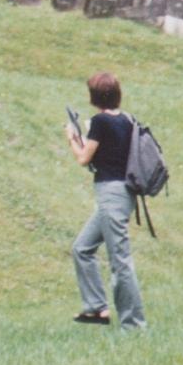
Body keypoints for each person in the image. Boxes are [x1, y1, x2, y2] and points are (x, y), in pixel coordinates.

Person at [64, 71, 146, 330]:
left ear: (94, 97)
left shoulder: (100, 121)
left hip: (111, 194)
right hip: (123, 194)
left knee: (120, 260)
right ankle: (96, 308)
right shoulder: (127, 120)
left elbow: (83, 159)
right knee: (82, 248)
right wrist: (83, 138)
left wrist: (71, 139)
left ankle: (133, 325)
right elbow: (106, 153)